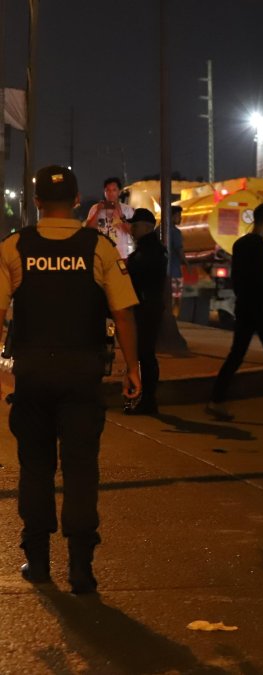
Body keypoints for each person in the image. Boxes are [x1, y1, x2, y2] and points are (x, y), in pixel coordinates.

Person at [0, 165, 141, 594]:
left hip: (33, 373)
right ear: (78, 200)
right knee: (81, 470)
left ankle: (38, 562)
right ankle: (81, 568)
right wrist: (133, 368)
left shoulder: (13, 247)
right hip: (82, 373)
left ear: (36, 202)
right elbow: (123, 312)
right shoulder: (97, 248)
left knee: (36, 467)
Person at [205, 203, 263, 421]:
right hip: (261, 306)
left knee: (237, 354)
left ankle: (216, 399)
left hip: (244, 306)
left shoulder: (240, 244)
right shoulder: (261, 247)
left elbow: (238, 278)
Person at [124, 208, 166, 415]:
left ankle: (148, 400)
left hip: (147, 308)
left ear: (148, 227)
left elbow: (137, 276)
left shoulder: (150, 251)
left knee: (145, 354)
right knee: (143, 353)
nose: (132, 229)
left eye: (135, 225)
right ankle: (145, 398)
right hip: (147, 306)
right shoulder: (149, 249)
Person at [84, 177, 134, 258]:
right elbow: (88, 229)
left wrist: (121, 216)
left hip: (120, 255)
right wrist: (98, 212)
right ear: (104, 192)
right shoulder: (95, 208)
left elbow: (133, 232)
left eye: (114, 190)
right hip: (100, 255)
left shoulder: (127, 209)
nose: (111, 193)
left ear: (119, 192)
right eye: (108, 190)